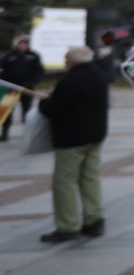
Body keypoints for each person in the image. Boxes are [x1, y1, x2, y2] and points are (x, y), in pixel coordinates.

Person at [37, 45, 108, 241]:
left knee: (64, 182)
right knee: (90, 178)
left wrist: (44, 101)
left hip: (71, 139)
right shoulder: (98, 74)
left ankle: (68, 226)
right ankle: (94, 220)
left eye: (66, 58)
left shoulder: (70, 80)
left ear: (74, 60)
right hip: (95, 136)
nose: (65, 61)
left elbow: (53, 110)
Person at [0, 35, 45, 141]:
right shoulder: (9, 56)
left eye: (24, 45)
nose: (22, 47)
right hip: (10, 88)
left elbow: (39, 71)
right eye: (20, 44)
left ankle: (27, 133)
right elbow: (2, 70)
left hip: (26, 88)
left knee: (26, 111)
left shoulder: (33, 56)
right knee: (7, 111)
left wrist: (33, 81)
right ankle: (5, 133)